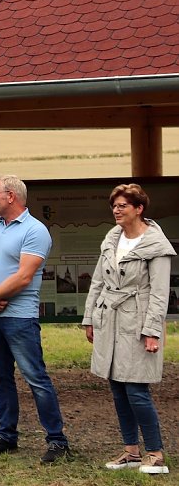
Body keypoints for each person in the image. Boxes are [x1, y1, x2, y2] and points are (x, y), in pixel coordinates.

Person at [0, 175, 71, 463]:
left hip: (20, 319)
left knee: (36, 379)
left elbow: (24, 276)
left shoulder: (35, 230)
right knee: (1, 379)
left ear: (11, 196)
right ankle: (6, 437)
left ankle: (56, 440)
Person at [82, 184, 173, 474]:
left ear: (139, 209)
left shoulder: (156, 245)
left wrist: (152, 331)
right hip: (109, 319)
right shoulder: (112, 238)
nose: (117, 211)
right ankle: (131, 451)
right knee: (117, 387)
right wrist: (90, 318)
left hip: (138, 322)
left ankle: (155, 454)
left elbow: (160, 293)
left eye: (123, 206)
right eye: (114, 206)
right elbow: (98, 280)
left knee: (136, 389)